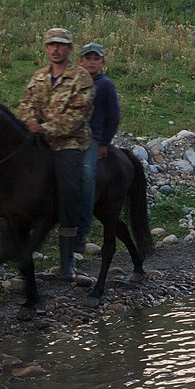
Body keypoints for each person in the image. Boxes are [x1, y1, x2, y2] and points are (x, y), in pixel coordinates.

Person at [18, 27, 94, 280]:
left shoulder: (80, 77)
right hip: (39, 141)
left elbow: (77, 115)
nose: (56, 48)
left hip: (69, 142)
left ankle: (68, 259)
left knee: (69, 190)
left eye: (61, 44)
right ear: (46, 47)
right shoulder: (38, 77)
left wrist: (44, 128)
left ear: (70, 48)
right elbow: (26, 105)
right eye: (51, 44)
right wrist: (29, 123)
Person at [77, 42, 120, 248]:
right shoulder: (74, 82)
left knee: (86, 173)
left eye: (96, 59)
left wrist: (104, 142)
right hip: (68, 134)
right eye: (88, 58)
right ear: (80, 61)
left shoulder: (105, 85)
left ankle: (82, 227)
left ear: (102, 62)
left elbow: (113, 116)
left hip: (92, 137)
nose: (91, 62)